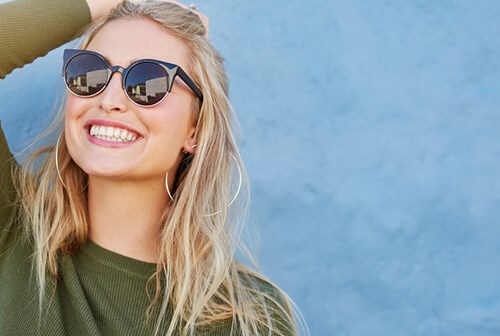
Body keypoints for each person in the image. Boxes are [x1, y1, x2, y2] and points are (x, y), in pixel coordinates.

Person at [0, 0, 305, 335]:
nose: (109, 99)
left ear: (196, 130)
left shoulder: (248, 318)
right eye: (90, 72)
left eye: (149, 80)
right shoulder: (14, 230)